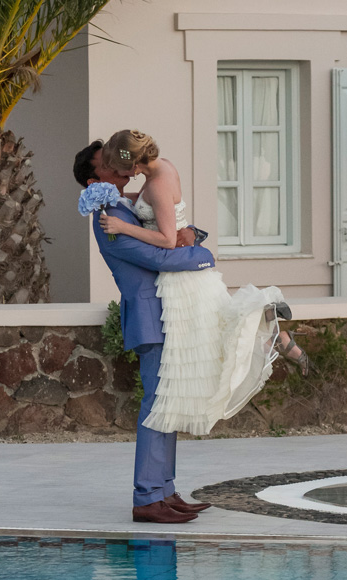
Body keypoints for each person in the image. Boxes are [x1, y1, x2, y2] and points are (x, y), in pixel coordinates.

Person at [99, 130, 312, 436]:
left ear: (133, 165)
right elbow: (151, 205)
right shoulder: (163, 167)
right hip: (190, 271)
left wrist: (122, 226)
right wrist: (120, 197)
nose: (118, 175)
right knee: (216, 332)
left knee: (208, 346)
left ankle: (266, 326)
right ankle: (271, 337)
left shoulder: (157, 183)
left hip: (182, 277)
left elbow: (167, 239)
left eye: (119, 169)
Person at [73, 140, 212, 524]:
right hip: (149, 317)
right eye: (107, 164)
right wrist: (203, 255)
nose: (119, 166)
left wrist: (190, 233)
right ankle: (147, 498)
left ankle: (164, 491)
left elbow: (160, 230)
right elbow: (155, 256)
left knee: (166, 402)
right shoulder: (106, 216)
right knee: (156, 404)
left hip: (165, 311)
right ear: (93, 178)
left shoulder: (124, 206)